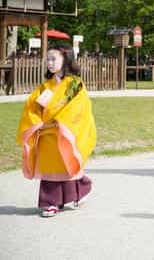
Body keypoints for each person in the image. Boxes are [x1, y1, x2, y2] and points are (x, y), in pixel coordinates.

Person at [17, 45, 96, 218]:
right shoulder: (46, 87)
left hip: (63, 131)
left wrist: (59, 123)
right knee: (49, 167)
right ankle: (51, 202)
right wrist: (37, 123)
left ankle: (81, 188)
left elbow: (78, 108)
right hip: (46, 133)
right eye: (48, 60)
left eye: (54, 59)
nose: (50, 63)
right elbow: (32, 108)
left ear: (65, 59)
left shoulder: (75, 84)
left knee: (66, 164)